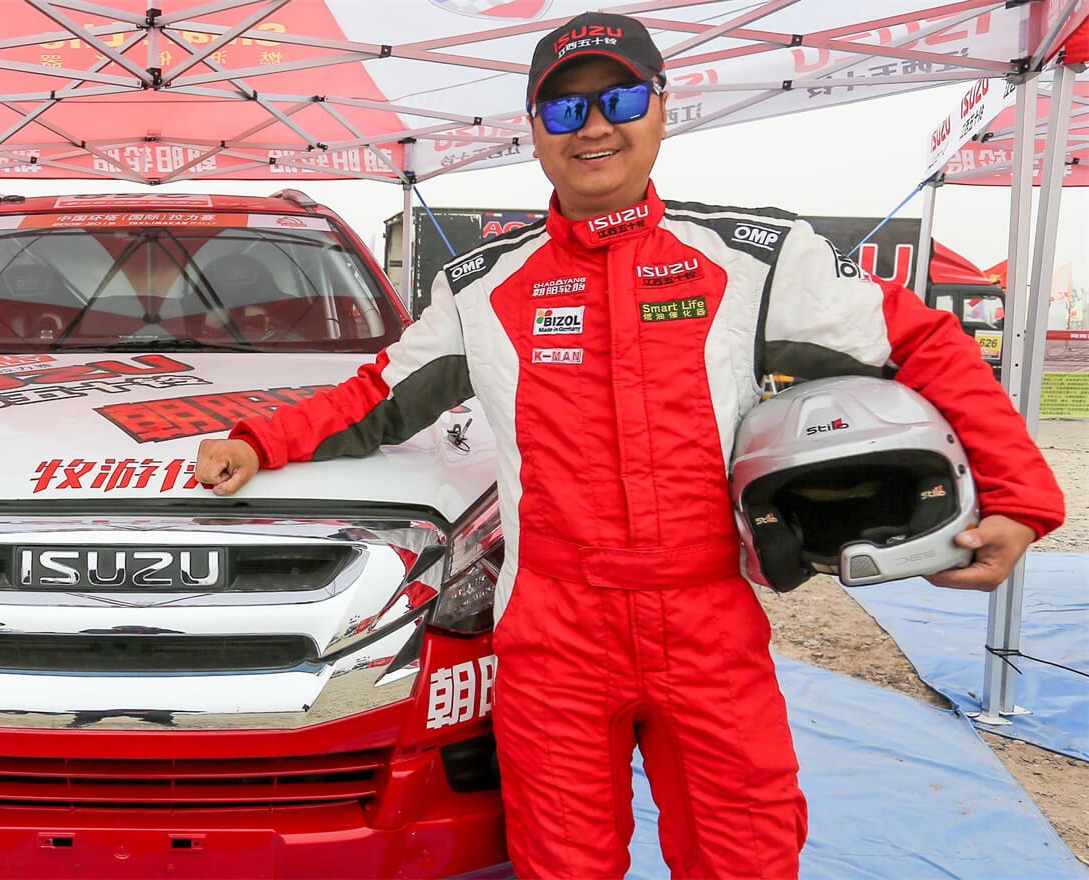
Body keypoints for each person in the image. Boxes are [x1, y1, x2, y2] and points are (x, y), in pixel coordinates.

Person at [195, 14, 1065, 879]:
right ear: (535, 128)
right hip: (553, 632)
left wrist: (1018, 498)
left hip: (708, 622)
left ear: (660, 107)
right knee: (562, 866)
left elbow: (922, 340)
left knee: (747, 861)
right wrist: (259, 441)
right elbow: (378, 397)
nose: (593, 126)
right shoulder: (481, 286)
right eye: (564, 108)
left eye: (617, 99)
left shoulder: (753, 257)